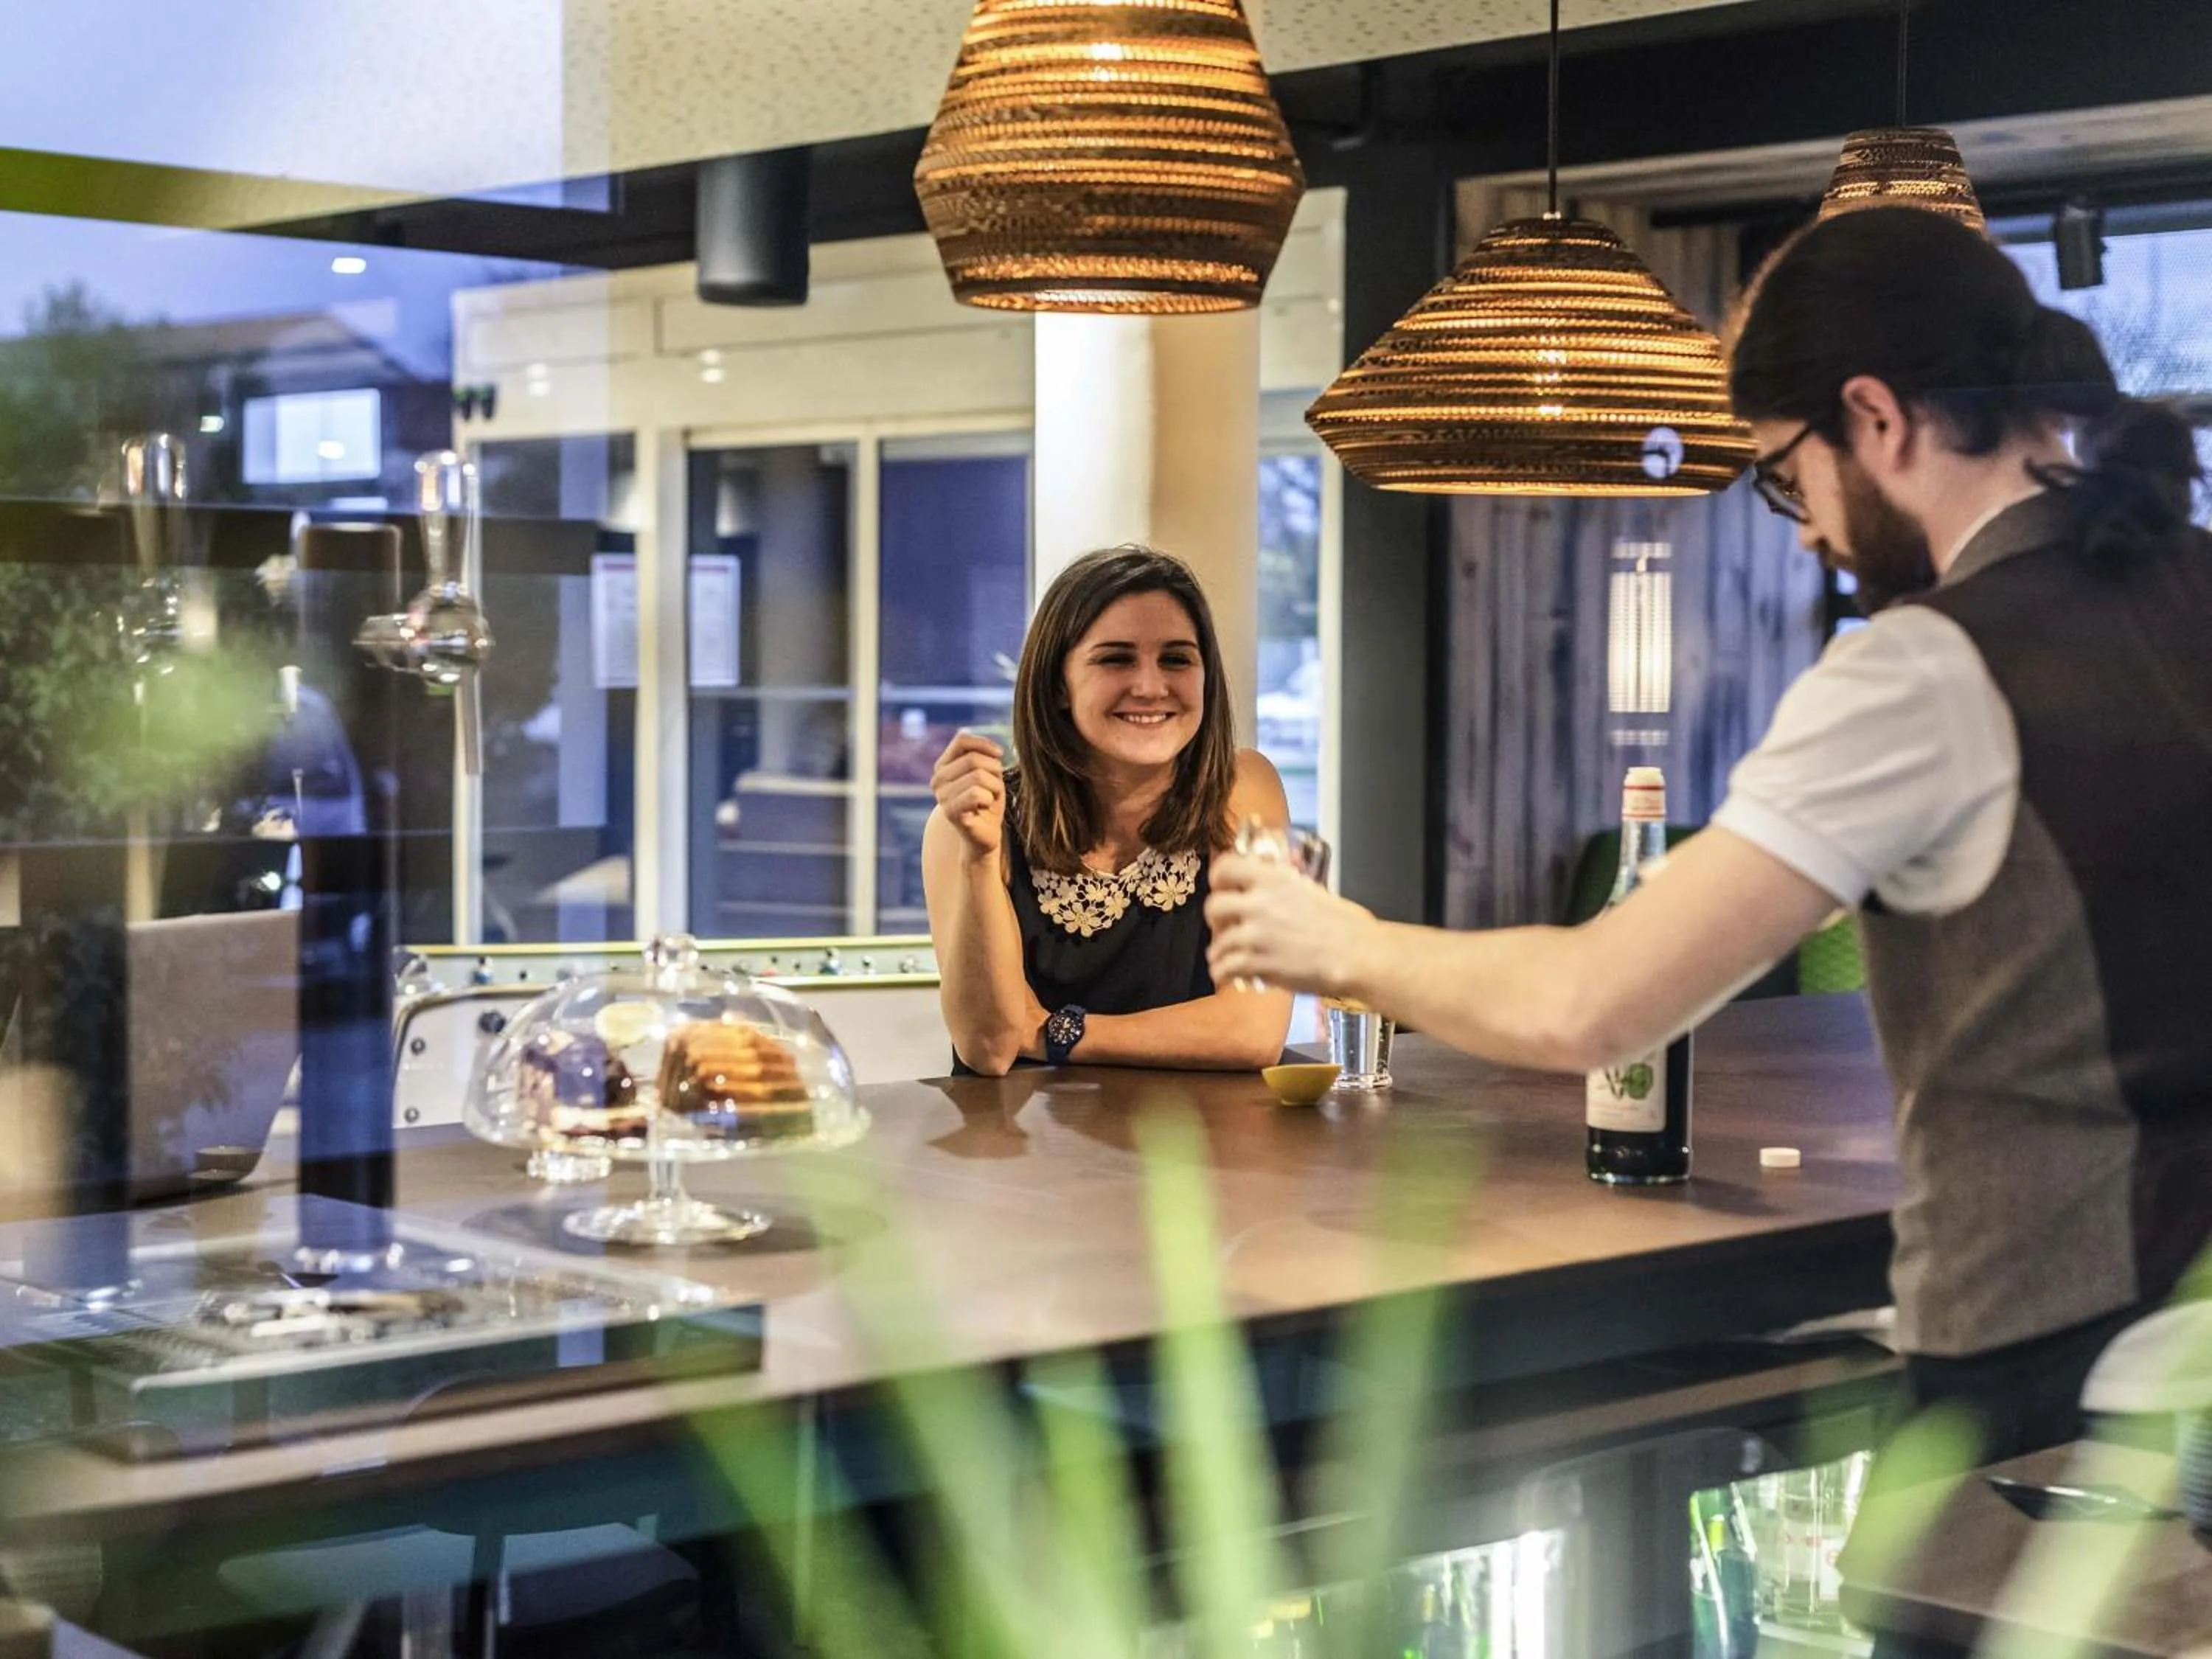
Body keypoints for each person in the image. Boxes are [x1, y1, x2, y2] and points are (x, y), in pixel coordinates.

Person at [1206, 205, 2212, 1466]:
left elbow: (1596, 1005)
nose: (1801, 530)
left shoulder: (1927, 671)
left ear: (1876, 417)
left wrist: (1339, 941)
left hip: (2067, 1409)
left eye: (1787, 474)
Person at [925, 545, 1294, 1077]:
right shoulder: (970, 824)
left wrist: (1052, 1031)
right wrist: (981, 859)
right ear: (1058, 685)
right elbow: (990, 1046)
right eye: (1115, 658)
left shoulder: (1245, 788)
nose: (1150, 686)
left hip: (1199, 1148)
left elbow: (1253, 1032)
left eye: (1176, 658)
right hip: (1027, 1150)